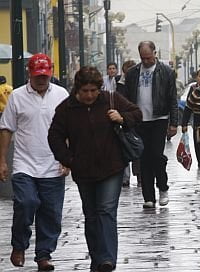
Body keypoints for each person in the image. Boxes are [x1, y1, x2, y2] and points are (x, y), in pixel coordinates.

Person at [48, 66, 142, 272]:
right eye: (85, 91)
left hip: (112, 166)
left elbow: (137, 113)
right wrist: (69, 159)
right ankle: (97, 258)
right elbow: (54, 136)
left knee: (106, 211)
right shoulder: (67, 108)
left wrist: (122, 118)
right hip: (84, 170)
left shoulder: (110, 99)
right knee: (91, 215)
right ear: (77, 90)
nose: (90, 95)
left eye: (93, 90)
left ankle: (108, 260)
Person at [0, 54, 69, 271]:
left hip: (53, 164)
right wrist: (2, 159)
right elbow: (7, 128)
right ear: (30, 73)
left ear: (51, 72)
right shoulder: (17, 96)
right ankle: (19, 244)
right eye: (38, 75)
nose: (42, 79)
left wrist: (68, 158)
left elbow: (70, 129)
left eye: (45, 75)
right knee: (26, 203)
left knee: (51, 213)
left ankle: (43, 255)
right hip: (24, 164)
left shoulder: (61, 95)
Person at [124, 41, 178, 209]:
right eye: (142, 58)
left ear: (155, 53)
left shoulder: (166, 72)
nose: (146, 61)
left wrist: (174, 123)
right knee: (143, 158)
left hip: (159, 118)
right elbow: (127, 98)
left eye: (148, 57)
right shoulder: (133, 73)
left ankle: (163, 187)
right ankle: (148, 197)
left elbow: (172, 99)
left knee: (156, 155)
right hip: (140, 120)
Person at [116, 60, 137, 187]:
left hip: (136, 119)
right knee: (123, 147)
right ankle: (125, 178)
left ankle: (140, 175)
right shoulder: (120, 83)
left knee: (137, 147)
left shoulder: (138, 82)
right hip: (122, 119)